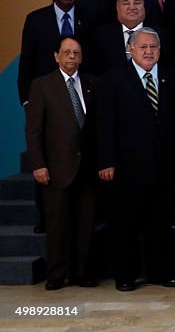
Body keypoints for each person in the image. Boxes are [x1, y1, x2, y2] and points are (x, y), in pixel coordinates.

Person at [96, 28, 175, 291]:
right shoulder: (113, 80)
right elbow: (104, 124)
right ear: (131, 50)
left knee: (161, 224)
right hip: (126, 168)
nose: (149, 51)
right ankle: (126, 275)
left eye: (154, 47)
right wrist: (106, 161)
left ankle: (162, 272)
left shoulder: (172, 78)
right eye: (143, 47)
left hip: (165, 167)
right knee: (126, 225)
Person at [24, 36, 98, 289]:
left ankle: (81, 273)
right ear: (56, 56)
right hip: (55, 168)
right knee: (57, 225)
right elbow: (33, 130)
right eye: (66, 52)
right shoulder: (42, 85)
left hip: (87, 168)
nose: (71, 57)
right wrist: (38, 164)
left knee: (85, 225)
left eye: (76, 53)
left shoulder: (91, 83)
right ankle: (56, 274)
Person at [18, 0, 90, 107]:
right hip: (45, 95)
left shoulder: (89, 19)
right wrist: (27, 100)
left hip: (81, 94)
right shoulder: (35, 20)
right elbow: (27, 62)